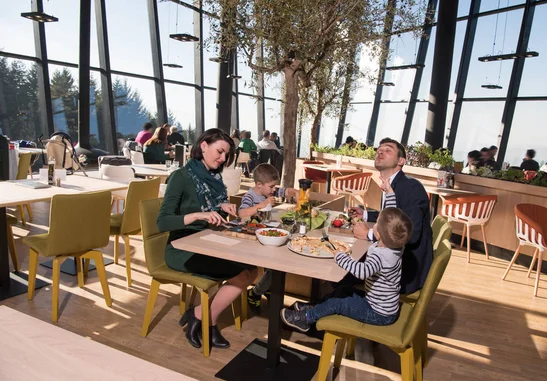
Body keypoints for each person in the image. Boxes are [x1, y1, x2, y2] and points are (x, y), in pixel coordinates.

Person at [157, 128, 258, 350]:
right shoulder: (181, 177)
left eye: (226, 156)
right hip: (181, 248)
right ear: (203, 146)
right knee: (243, 274)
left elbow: (212, 213)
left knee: (253, 268)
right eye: (220, 152)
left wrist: (221, 207)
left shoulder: (213, 178)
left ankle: (198, 315)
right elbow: (162, 222)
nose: (222, 159)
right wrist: (197, 215)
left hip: (206, 241)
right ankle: (208, 322)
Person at [281, 208, 413, 332]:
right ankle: (316, 307)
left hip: (377, 313)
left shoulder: (381, 257)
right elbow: (391, 223)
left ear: (379, 235)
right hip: (382, 307)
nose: (374, 225)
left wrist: (340, 257)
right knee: (343, 290)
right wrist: (389, 192)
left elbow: (362, 272)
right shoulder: (396, 247)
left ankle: (306, 318)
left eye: (377, 222)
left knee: (339, 303)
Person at [348, 138, 433, 295]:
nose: (380, 152)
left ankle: (325, 309)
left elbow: (411, 235)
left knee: (344, 268)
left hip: (405, 271)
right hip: (397, 261)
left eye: (388, 150)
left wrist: (368, 234)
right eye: (379, 149)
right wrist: (365, 213)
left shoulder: (411, 188)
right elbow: (393, 214)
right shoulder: (394, 183)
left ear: (401, 161)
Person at [239, 163, 298, 312]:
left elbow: (286, 191)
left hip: (267, 237)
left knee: (278, 262)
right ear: (259, 185)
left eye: (275, 187)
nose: (274, 190)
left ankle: (268, 289)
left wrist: (296, 192)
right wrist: (262, 204)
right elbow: (242, 213)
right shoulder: (250, 196)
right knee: (275, 268)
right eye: (271, 187)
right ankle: (255, 292)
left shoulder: (269, 192)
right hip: (253, 240)